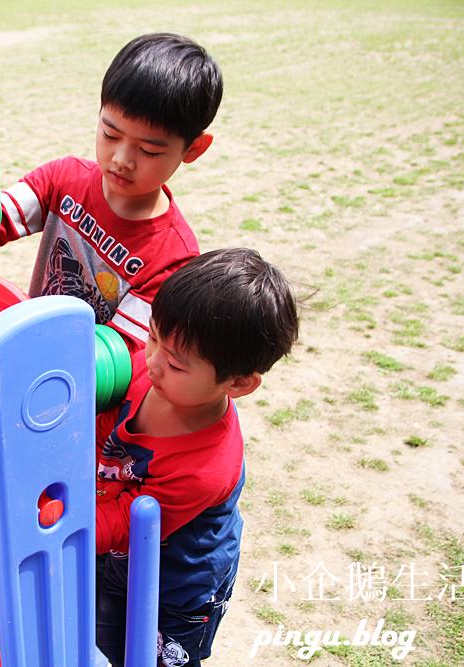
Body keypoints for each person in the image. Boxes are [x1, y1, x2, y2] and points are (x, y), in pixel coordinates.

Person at [0, 32, 223, 350]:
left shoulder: (173, 259)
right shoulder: (64, 179)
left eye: (148, 150)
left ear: (193, 149)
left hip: (83, 388)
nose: (122, 160)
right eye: (110, 134)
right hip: (27, 352)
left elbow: (121, 353)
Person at [94, 248, 301, 667]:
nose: (152, 361)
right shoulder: (144, 370)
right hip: (117, 554)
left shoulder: (206, 467)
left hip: (178, 588)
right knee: (107, 642)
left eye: (175, 362)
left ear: (239, 383)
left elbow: (127, 523)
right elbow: (100, 430)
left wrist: (63, 525)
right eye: (153, 336)